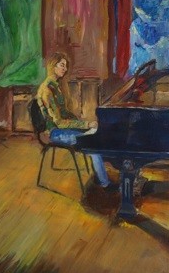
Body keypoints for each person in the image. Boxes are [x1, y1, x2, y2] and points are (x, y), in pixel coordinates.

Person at [36, 52, 113, 189]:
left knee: (95, 135)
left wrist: (83, 124)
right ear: (53, 66)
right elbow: (59, 122)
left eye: (66, 66)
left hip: (61, 129)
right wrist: (86, 124)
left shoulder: (55, 86)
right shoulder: (47, 89)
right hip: (54, 132)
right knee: (92, 143)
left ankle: (101, 176)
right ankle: (104, 184)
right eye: (62, 65)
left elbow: (65, 114)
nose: (65, 69)